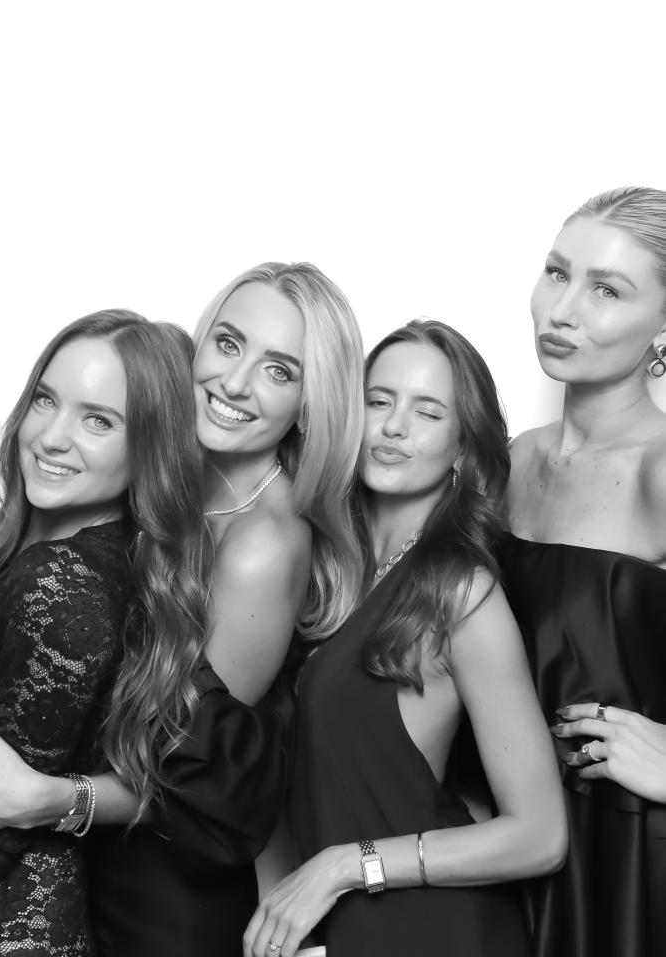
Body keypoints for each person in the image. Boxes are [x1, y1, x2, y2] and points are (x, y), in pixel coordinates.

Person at [244, 321, 566, 957]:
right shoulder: (323, 566)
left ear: (462, 448)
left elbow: (540, 836)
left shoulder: (461, 592)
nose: (394, 427)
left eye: (427, 412)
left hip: (433, 929)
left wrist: (346, 866)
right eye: (379, 400)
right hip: (332, 928)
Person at [0, 310, 207, 956]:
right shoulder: (107, 559)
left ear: (148, 448)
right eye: (46, 400)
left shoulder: (57, 587)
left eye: (98, 420)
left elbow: (7, 810)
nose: (52, 437)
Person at [501, 187, 666, 957]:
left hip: (626, 860)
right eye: (556, 273)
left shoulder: (659, 472)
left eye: (606, 290)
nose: (561, 310)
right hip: (501, 844)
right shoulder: (509, 460)